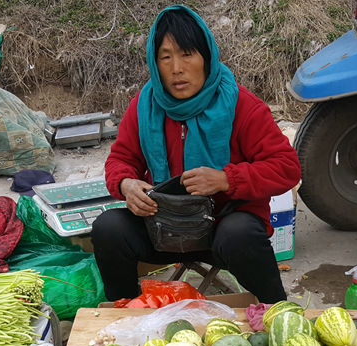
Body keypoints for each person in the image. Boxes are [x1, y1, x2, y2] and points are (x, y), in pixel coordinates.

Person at [91, 4, 300, 304]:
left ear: (206, 57)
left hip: (221, 228)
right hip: (162, 227)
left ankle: (277, 309)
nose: (176, 68)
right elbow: (120, 160)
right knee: (108, 228)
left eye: (187, 54)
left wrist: (227, 179)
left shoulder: (241, 105)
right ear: (155, 62)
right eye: (165, 57)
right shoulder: (144, 106)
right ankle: (126, 313)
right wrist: (126, 184)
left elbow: (287, 167)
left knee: (240, 233)